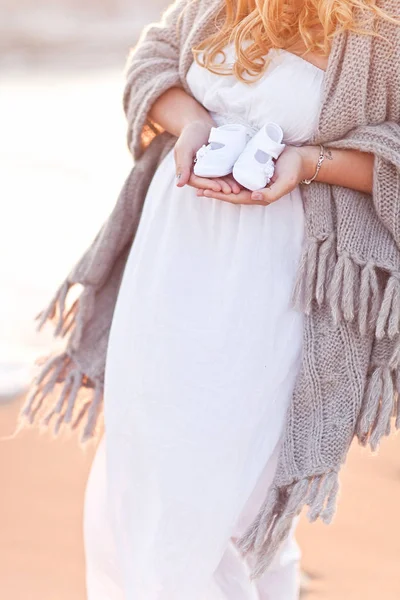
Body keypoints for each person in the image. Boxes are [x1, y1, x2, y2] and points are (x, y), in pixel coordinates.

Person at [22, 1, 399, 599]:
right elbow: (152, 62)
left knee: (222, 502)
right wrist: (194, 122)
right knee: (139, 487)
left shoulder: (380, 30)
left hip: (273, 289)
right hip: (168, 272)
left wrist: (306, 163)